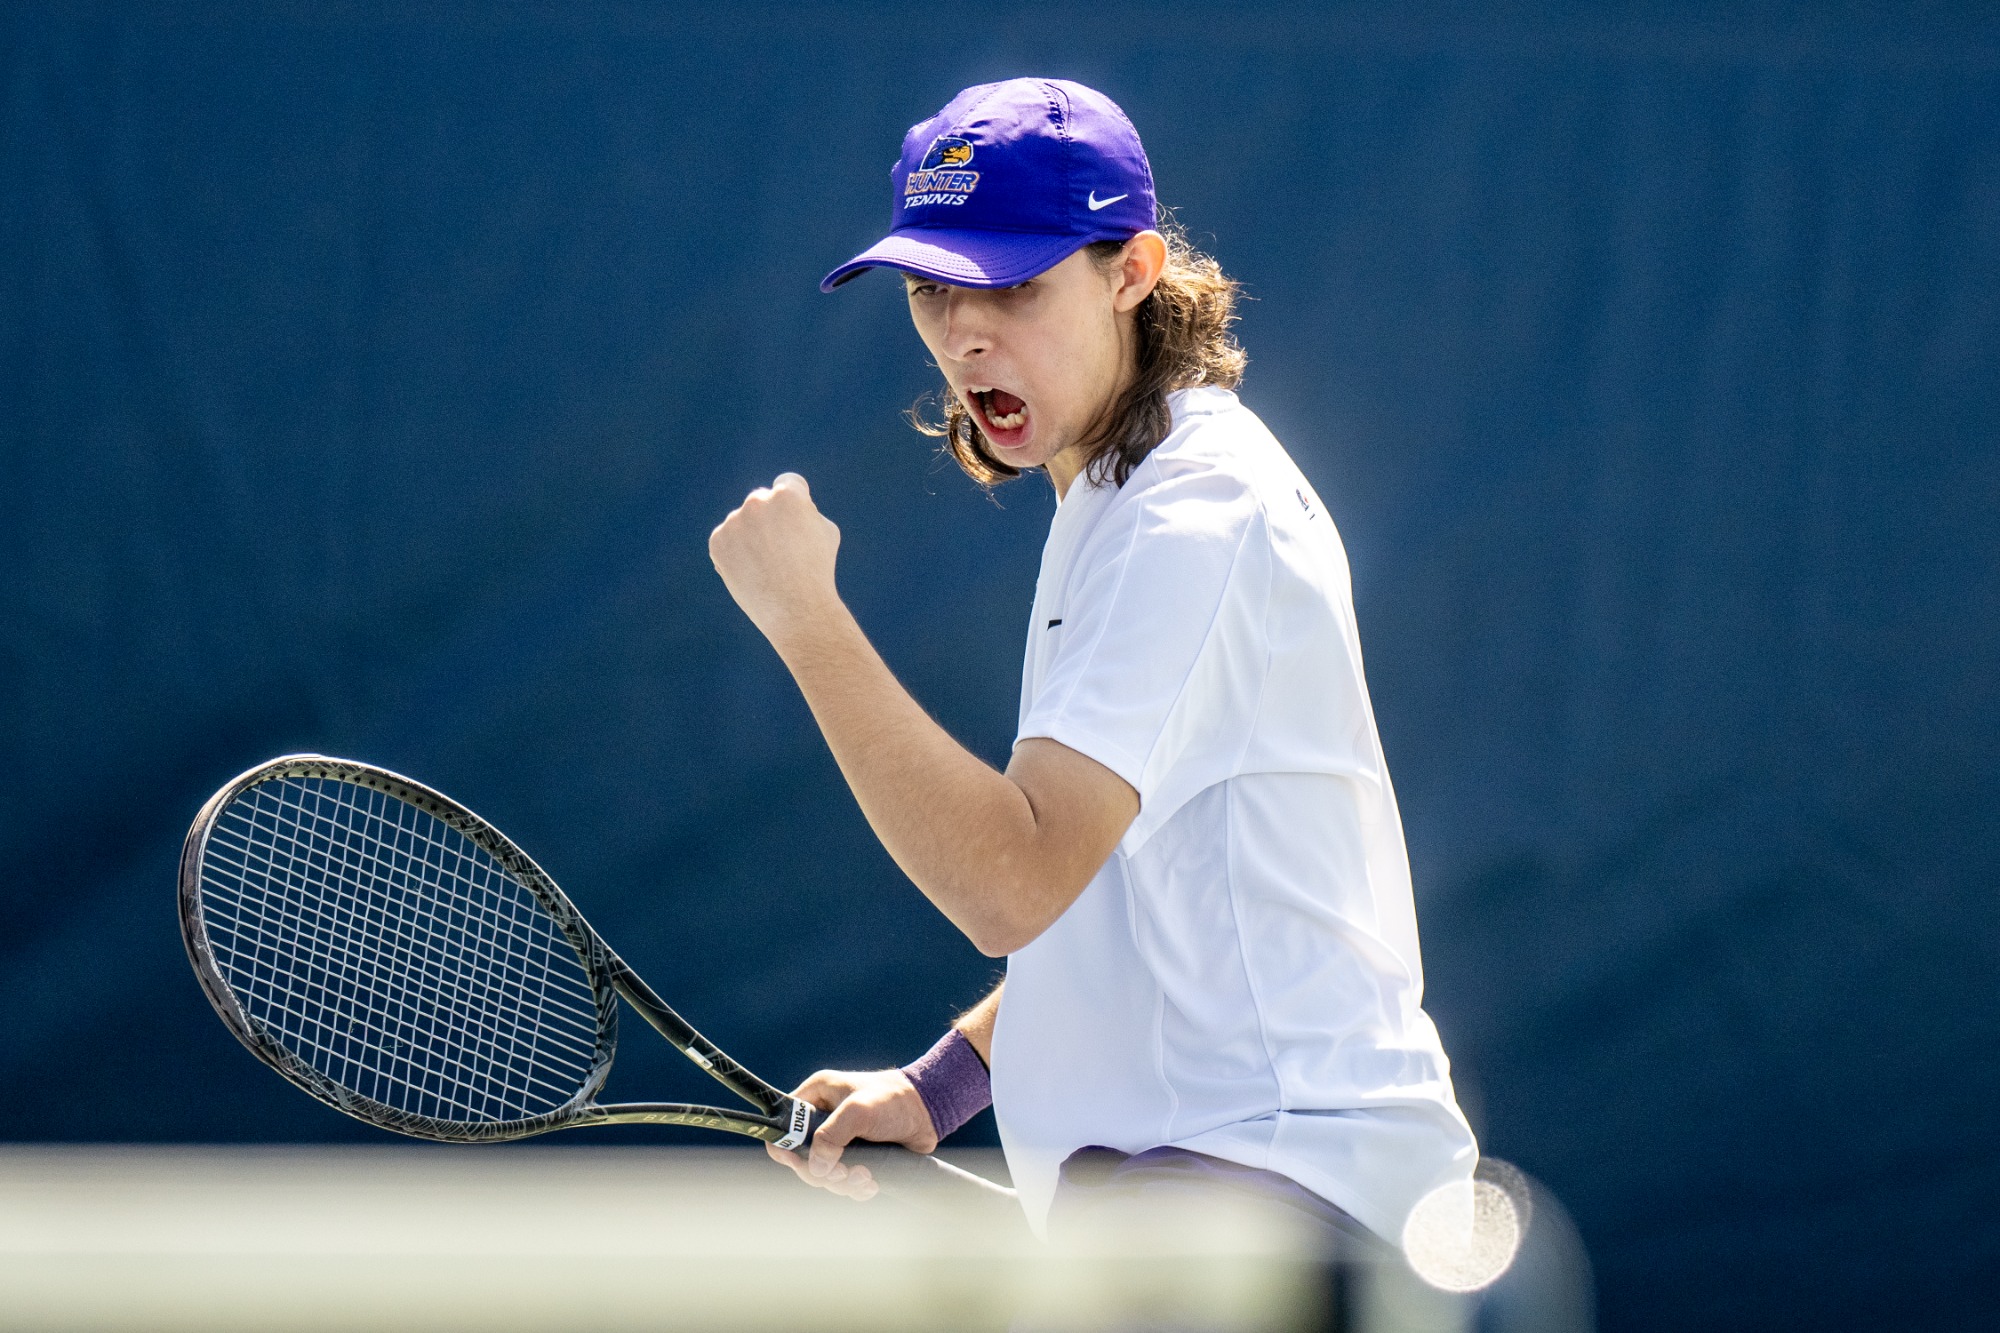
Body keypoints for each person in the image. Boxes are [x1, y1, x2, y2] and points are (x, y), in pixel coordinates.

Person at [707, 77, 1476, 1252]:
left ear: (1130, 271)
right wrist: (942, 1084)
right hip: (1227, 1194)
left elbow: (1013, 883)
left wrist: (806, 623)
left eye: (1013, 283)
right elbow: (1135, 902)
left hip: (1285, 1194)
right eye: (931, 290)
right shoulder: (1117, 499)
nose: (965, 333)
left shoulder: (1193, 518)